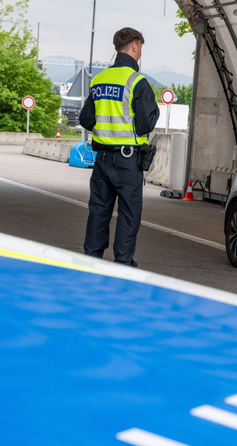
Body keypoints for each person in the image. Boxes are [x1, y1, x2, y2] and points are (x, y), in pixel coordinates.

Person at [80, 27, 160, 267]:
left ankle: (91, 261)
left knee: (98, 211)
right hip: (128, 160)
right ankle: (122, 265)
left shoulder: (100, 79)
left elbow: (86, 119)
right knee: (128, 214)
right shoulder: (137, 81)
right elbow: (146, 123)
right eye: (141, 48)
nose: (141, 53)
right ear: (134, 46)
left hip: (102, 158)